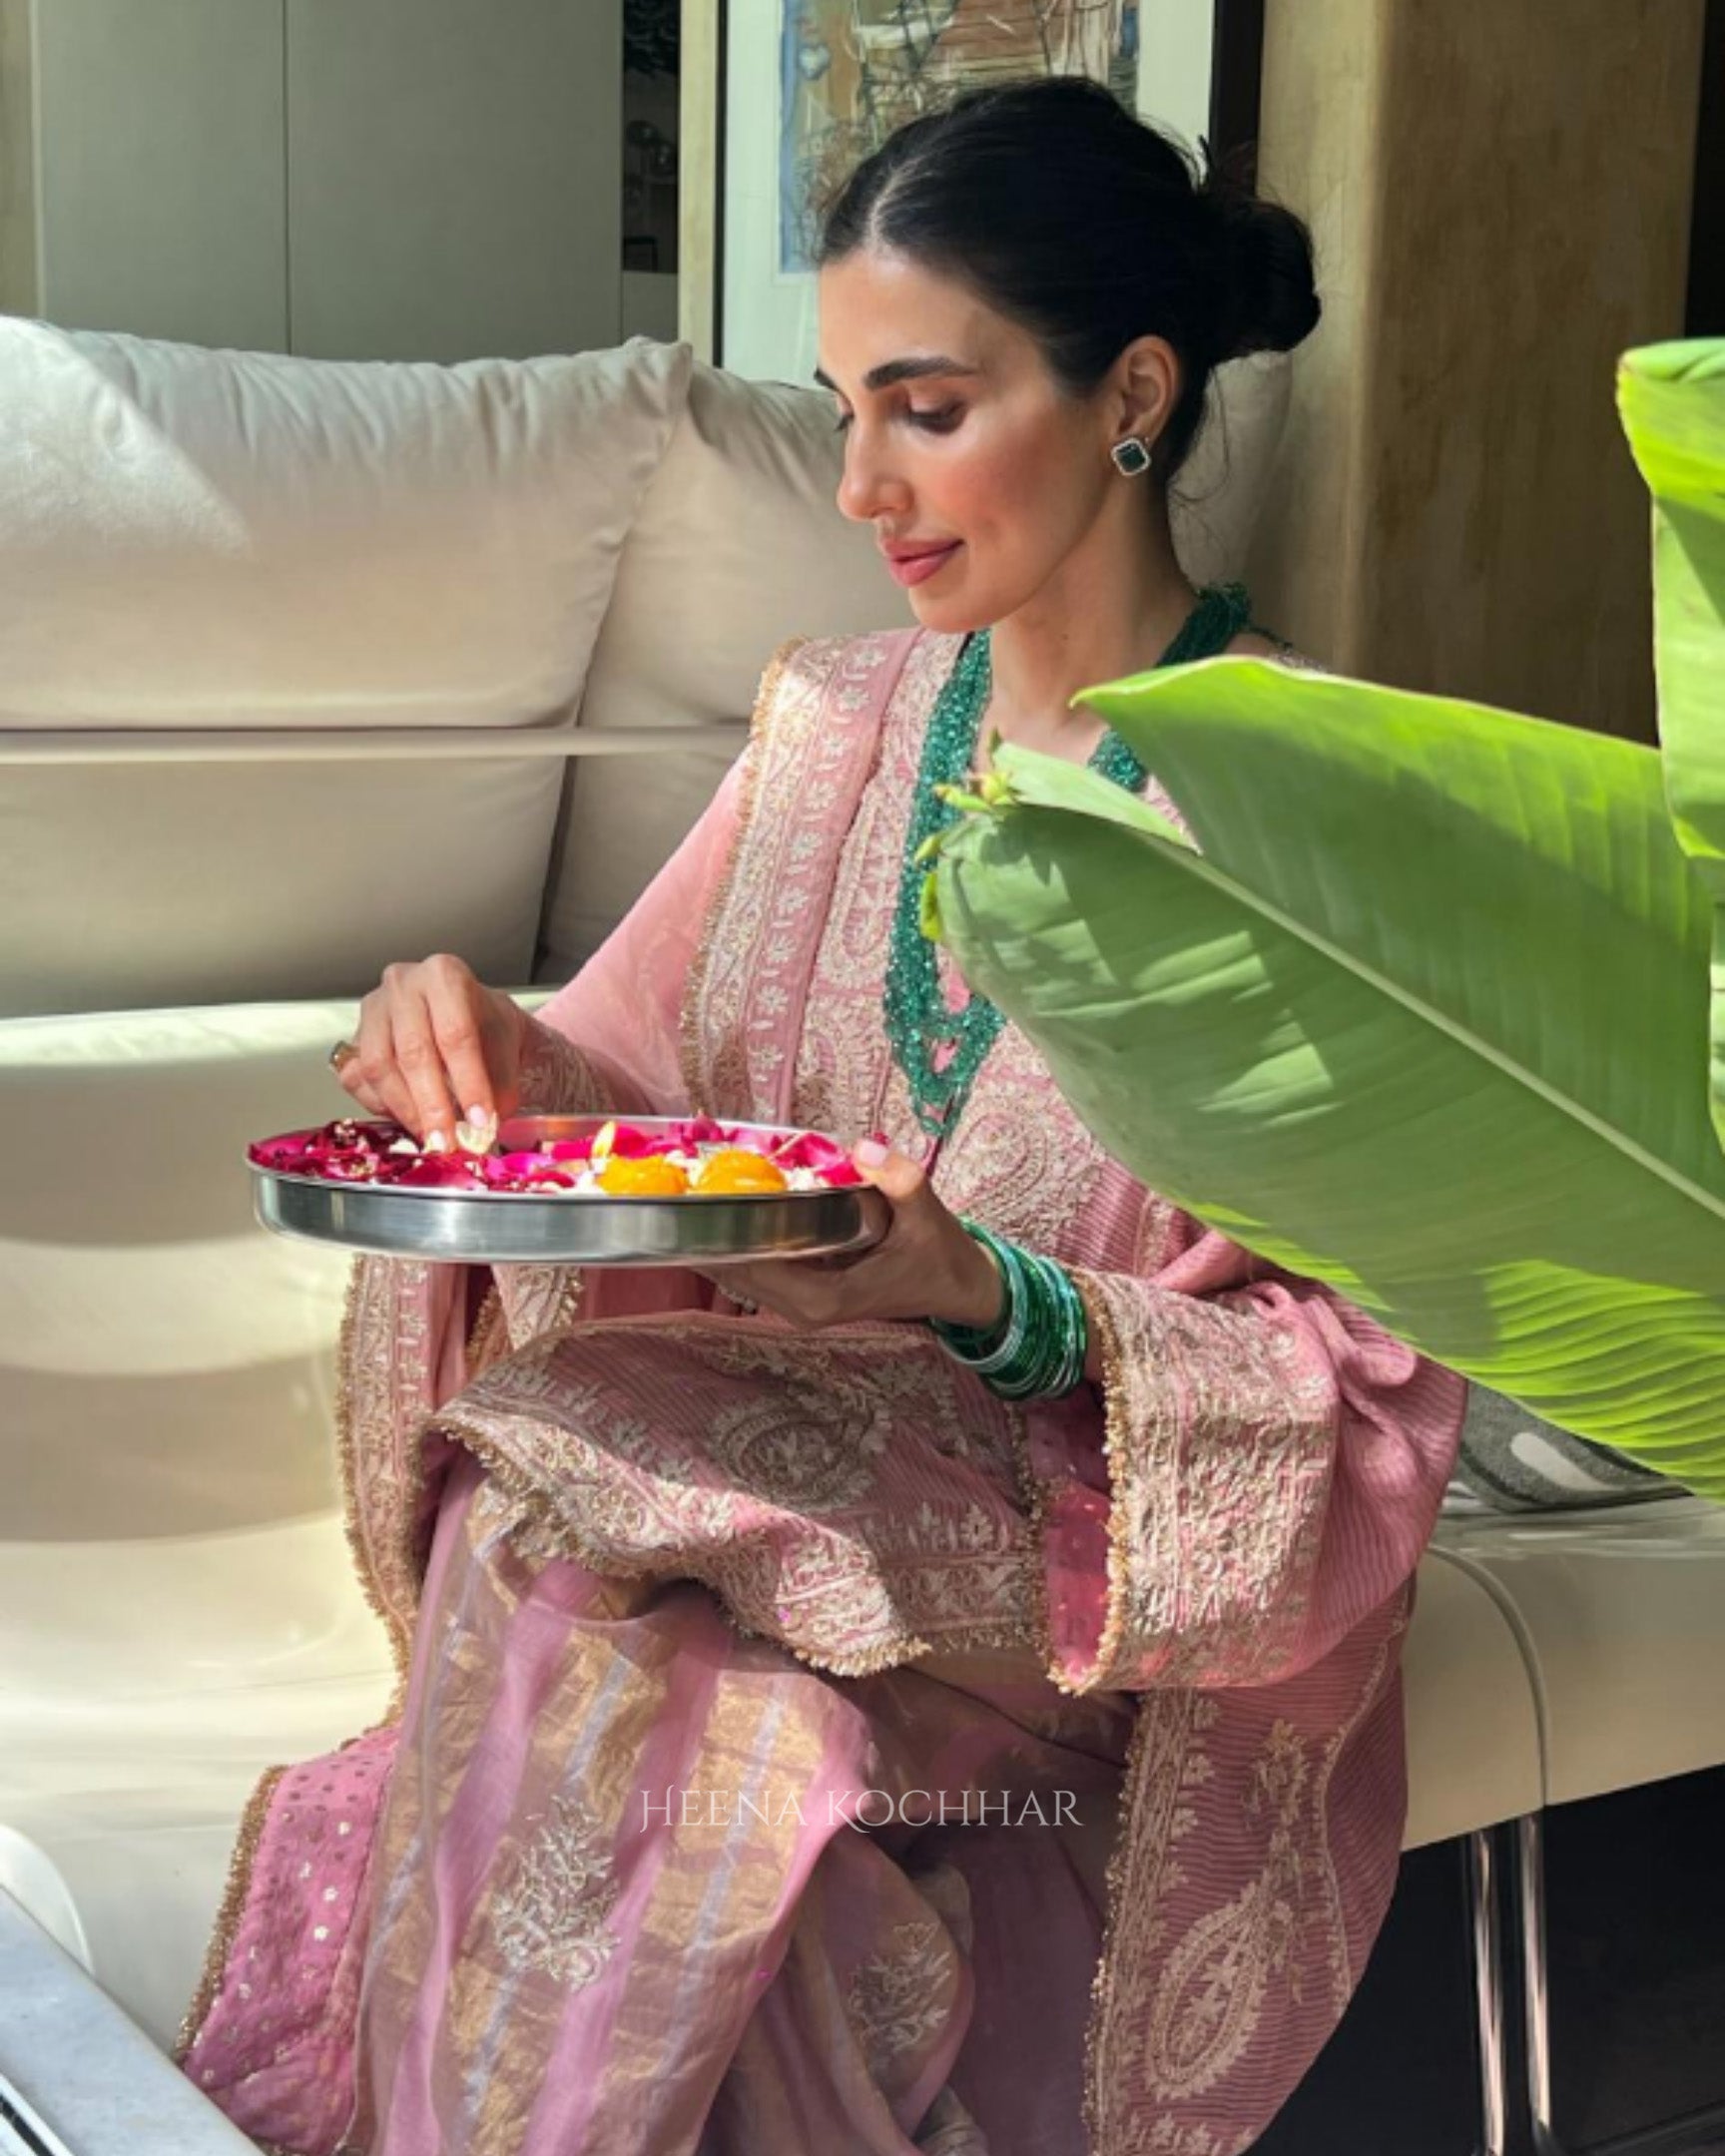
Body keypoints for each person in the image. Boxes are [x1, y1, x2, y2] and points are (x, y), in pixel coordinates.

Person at [180, 77, 1465, 2156]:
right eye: (843, 409)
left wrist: (992, 1300)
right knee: (613, 1577)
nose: (863, 483)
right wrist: (481, 1047)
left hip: (1084, 1565)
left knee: (626, 1583)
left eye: (928, 410)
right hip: (753, 1507)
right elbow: (621, 1097)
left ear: (1134, 396)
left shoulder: (1316, 811)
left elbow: (1376, 1374)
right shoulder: (838, 724)